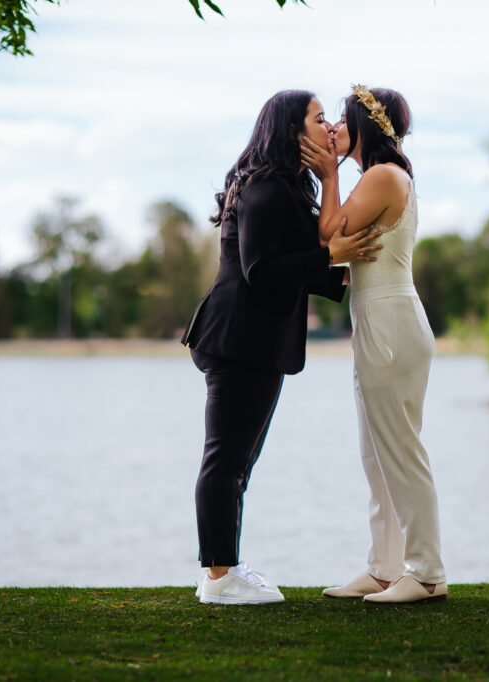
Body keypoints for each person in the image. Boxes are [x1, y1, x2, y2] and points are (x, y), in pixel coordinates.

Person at [181, 90, 382, 605]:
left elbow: (296, 262)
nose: (330, 128)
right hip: (238, 340)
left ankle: (223, 567)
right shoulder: (267, 188)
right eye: (319, 120)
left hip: (253, 342)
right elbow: (260, 271)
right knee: (226, 463)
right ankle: (220, 578)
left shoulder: (285, 188)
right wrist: (330, 256)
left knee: (236, 464)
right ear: (293, 131)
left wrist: (333, 262)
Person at [300, 85, 447, 603]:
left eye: (342, 119)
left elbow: (328, 235)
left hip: (391, 323)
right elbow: (339, 242)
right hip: (378, 323)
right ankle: (385, 568)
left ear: (366, 124)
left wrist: (329, 175)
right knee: (376, 456)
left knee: (401, 453)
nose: (334, 128)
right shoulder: (380, 178)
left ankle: (426, 573)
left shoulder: (383, 176)